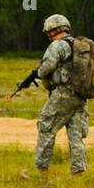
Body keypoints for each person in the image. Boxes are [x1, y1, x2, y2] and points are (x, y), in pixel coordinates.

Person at [32, 14, 88, 175]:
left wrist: (39, 73)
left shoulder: (57, 46)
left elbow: (46, 68)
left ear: (53, 30)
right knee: (75, 135)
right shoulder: (79, 45)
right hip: (80, 96)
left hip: (63, 95)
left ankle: (41, 171)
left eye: (49, 32)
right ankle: (79, 174)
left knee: (46, 127)